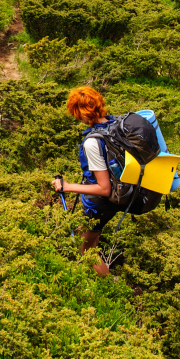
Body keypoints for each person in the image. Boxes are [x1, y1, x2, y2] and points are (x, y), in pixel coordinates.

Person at [52, 86, 141, 277]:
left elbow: (103, 188)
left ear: (80, 113)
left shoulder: (92, 142)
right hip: (124, 190)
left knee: (87, 251)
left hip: (100, 205)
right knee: (92, 238)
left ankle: (113, 290)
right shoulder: (116, 123)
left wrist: (67, 187)